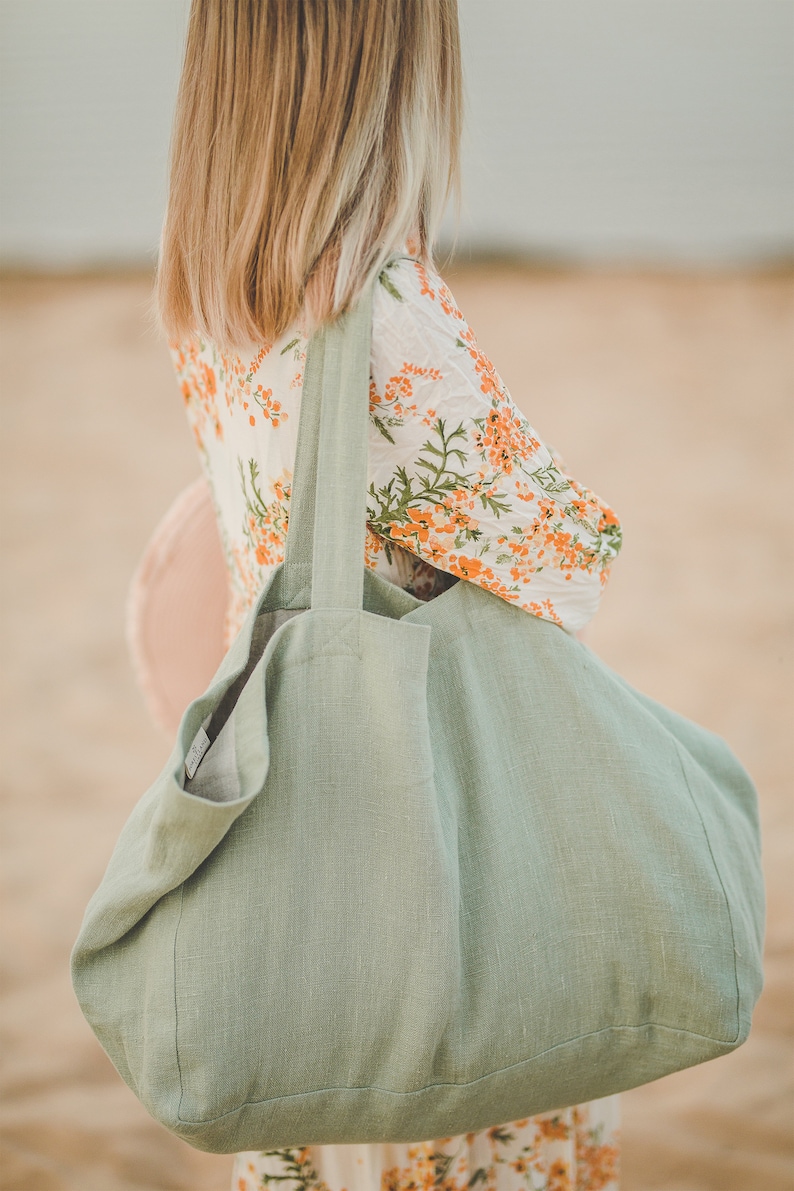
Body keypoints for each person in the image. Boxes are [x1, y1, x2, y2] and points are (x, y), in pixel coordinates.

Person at [156, 3, 622, 1189]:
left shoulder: (215, 304)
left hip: (288, 845)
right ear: (392, 71)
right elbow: (566, 561)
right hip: (433, 870)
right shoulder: (386, 314)